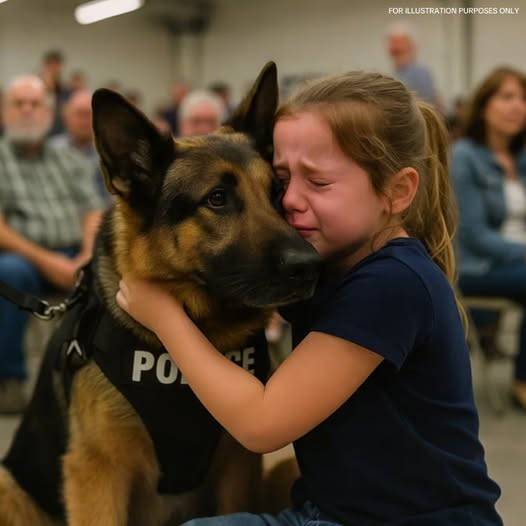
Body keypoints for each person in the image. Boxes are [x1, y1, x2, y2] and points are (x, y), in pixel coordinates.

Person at [116, 72, 502, 525]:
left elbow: (261, 424)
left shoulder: (392, 283)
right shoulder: (339, 264)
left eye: (317, 183)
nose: (292, 201)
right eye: (281, 181)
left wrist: (163, 316)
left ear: (396, 192)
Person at [0, 75, 104, 413]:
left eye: (36, 103)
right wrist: (51, 263)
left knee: (116, 265)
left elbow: (93, 212)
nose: (28, 110)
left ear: (49, 112)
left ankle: (99, 375)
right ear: (5, 111)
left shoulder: (68, 160)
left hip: (76, 252)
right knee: (8, 274)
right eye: (19, 103)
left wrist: (88, 256)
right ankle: (9, 380)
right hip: (22, 256)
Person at [451, 66, 526, 412]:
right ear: (484, 106)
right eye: (507, 97)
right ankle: (522, 381)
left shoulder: (521, 159)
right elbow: (475, 236)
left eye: (523, 99)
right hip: (477, 265)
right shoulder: (465, 156)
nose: (518, 106)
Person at [50, 89, 109, 203]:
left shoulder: (108, 154)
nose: (84, 121)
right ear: (66, 116)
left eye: (88, 114)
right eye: (79, 114)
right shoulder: (51, 151)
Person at [387, 22, 443, 111]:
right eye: (392, 43)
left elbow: (427, 108)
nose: (394, 47)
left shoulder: (420, 74)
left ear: (412, 47)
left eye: (399, 43)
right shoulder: (397, 73)